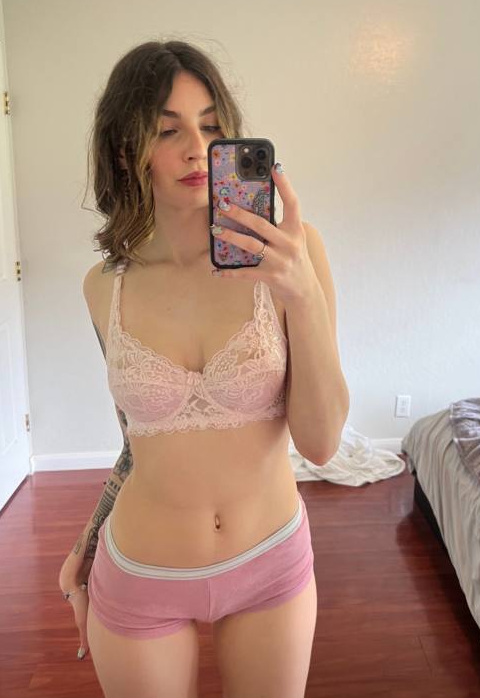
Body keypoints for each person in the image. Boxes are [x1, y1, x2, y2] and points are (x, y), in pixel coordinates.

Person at [57, 39, 349, 698]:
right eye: (168, 130)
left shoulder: (295, 256)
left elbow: (323, 442)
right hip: (142, 572)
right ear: (125, 149)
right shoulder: (104, 286)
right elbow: (135, 442)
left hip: (270, 561)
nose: (196, 148)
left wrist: (303, 294)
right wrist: (87, 539)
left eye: (212, 125)